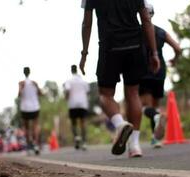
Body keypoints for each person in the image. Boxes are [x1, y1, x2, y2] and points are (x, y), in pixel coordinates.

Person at [80, 0, 160, 157]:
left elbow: (86, 24)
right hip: (135, 46)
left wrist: (84, 54)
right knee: (133, 93)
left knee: (105, 95)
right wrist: (154, 52)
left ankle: (119, 123)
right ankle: (135, 146)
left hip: (110, 47)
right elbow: (146, 19)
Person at [140, 4, 182, 148]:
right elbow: (177, 48)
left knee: (144, 106)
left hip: (143, 71)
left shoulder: (137, 31)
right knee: (155, 106)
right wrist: (174, 60)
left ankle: (156, 118)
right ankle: (156, 139)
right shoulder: (161, 32)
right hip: (160, 71)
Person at [64, 65, 90, 150]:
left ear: (71, 71)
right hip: (83, 103)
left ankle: (76, 137)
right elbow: (87, 92)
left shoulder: (69, 81)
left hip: (72, 104)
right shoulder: (83, 81)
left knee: (73, 123)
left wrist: (66, 98)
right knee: (83, 123)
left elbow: (67, 90)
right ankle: (84, 142)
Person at [18, 67, 42, 155]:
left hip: (25, 108)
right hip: (35, 107)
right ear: (30, 72)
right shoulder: (34, 83)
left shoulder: (21, 83)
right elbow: (40, 94)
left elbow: (19, 94)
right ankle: (35, 145)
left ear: (24, 73)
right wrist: (37, 86)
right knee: (35, 126)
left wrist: (21, 87)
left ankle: (28, 146)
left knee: (27, 128)